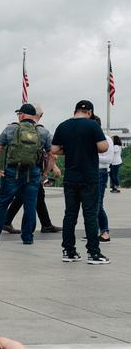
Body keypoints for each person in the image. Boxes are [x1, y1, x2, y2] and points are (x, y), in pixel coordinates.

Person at [50, 100, 110, 264]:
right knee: (90, 215)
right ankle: (93, 253)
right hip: (89, 177)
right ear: (89, 112)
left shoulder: (63, 126)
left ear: (75, 111)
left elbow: (54, 149)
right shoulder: (92, 125)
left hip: (71, 177)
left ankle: (68, 251)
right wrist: (89, 146)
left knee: (70, 215)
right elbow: (104, 147)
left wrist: (70, 148)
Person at [0, 104, 51, 245]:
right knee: (30, 205)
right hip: (33, 173)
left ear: (21, 115)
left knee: (3, 203)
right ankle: (27, 238)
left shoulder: (10, 128)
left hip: (12, 172)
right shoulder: (43, 132)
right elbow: (53, 155)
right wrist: (44, 173)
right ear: (34, 116)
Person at [1, 105, 60, 236]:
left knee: (33, 196)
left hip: (18, 168)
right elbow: (50, 153)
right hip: (34, 169)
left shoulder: (17, 129)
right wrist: (49, 169)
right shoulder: (40, 131)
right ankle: (33, 229)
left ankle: (45, 224)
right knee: (27, 196)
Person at [93, 116, 112, 243]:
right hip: (88, 172)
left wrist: (92, 156)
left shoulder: (107, 139)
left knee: (98, 204)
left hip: (100, 172)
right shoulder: (88, 139)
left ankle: (104, 231)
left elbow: (108, 160)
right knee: (90, 204)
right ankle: (93, 231)